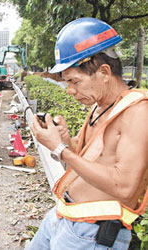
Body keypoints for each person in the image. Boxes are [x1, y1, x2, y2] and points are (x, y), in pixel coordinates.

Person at [27, 17, 148, 250]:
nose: (70, 91)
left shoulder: (138, 112)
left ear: (104, 72)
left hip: (92, 235)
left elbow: (125, 187)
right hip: (64, 216)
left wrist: (61, 150)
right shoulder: (99, 106)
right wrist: (66, 141)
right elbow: (87, 162)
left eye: (75, 81)